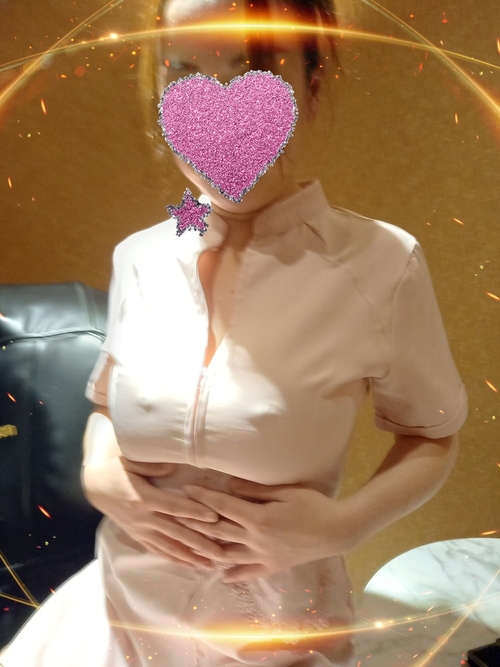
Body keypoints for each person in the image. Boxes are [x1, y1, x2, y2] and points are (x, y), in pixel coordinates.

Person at [0, 0, 468, 665]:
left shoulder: (381, 264)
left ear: (311, 84)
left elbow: (433, 433)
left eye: (254, 67)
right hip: (114, 620)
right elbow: (107, 401)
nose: (217, 105)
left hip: (275, 633)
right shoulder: (141, 256)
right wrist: (99, 471)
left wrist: (343, 525)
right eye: (184, 71)